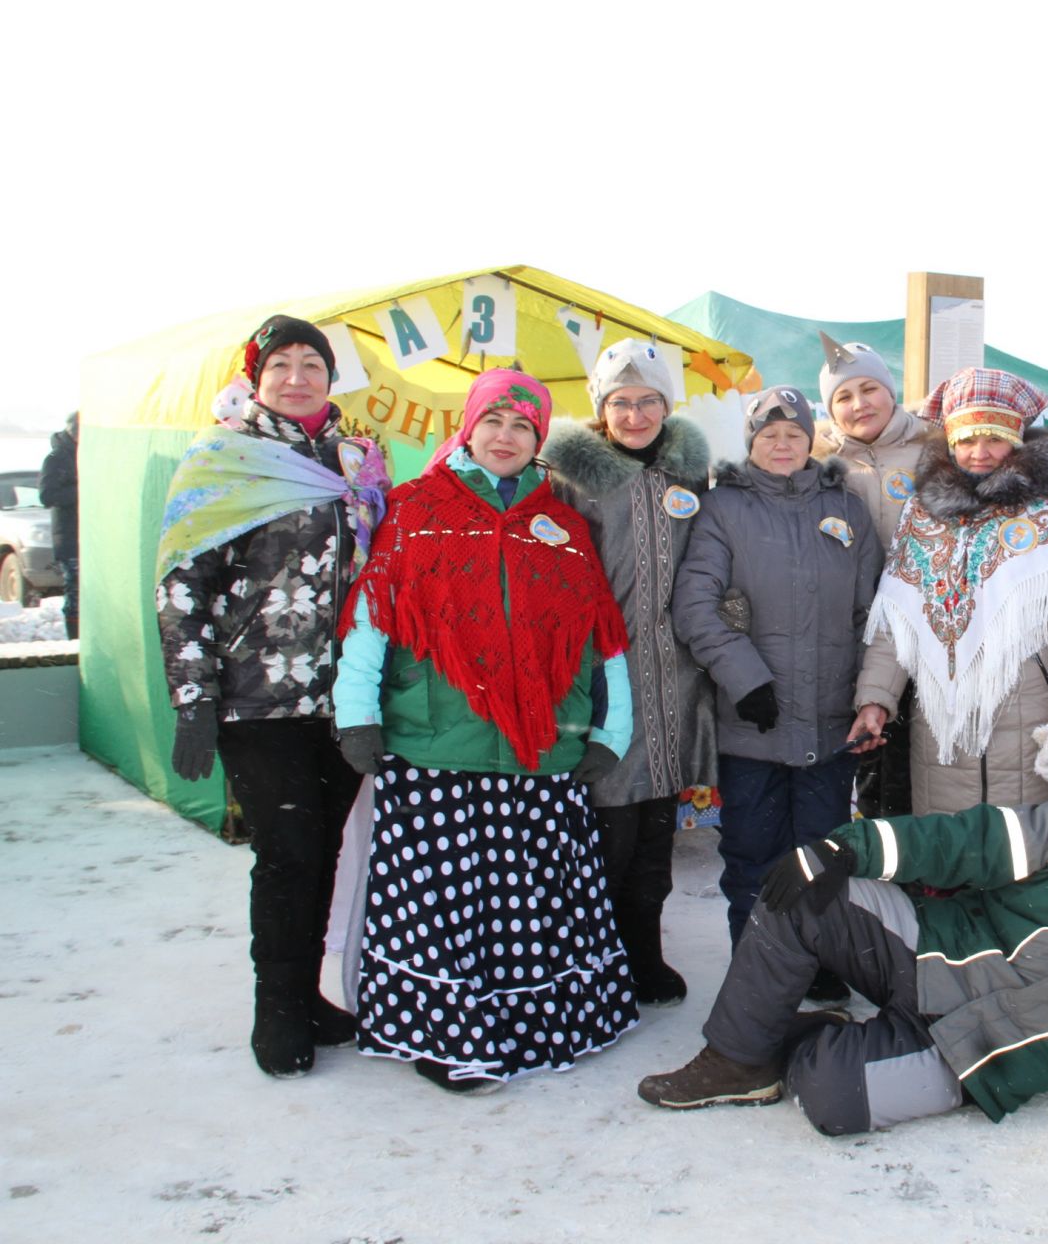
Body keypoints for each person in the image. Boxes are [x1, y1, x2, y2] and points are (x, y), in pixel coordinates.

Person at [636, 757, 1048, 1134]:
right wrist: (851, 847)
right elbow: (965, 840)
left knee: (832, 1098)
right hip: (927, 952)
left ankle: (801, 1038)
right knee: (803, 892)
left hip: (983, 1051)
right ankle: (739, 1061)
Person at [331, 368, 640, 1092]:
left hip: (541, 748)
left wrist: (609, 731)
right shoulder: (414, 509)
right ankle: (446, 1036)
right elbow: (373, 616)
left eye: (523, 426)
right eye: (494, 421)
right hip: (436, 744)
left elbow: (603, 636)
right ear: (469, 427)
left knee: (533, 902)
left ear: (539, 441)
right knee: (444, 905)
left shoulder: (560, 522)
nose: (506, 437)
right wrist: (357, 714)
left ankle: (540, 1025)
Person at [155, 315, 389, 1078]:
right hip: (256, 700)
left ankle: (308, 994)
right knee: (287, 854)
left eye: (312, 364)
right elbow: (181, 582)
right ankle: (277, 1009)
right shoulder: (224, 459)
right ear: (255, 378)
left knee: (322, 851)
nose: (297, 377)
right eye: (280, 364)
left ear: (331, 376)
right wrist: (194, 697)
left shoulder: (359, 462)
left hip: (342, 699)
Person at [672, 385, 884, 967]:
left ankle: (816, 972)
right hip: (754, 728)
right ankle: (757, 976)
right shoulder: (724, 508)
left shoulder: (846, 510)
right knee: (752, 859)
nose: (783, 444)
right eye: (769, 435)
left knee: (821, 861)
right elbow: (696, 603)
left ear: (812, 438)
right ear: (751, 443)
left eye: (794, 433)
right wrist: (746, 679)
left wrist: (870, 697)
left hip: (830, 727)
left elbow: (874, 615)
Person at [852, 368, 1048, 812]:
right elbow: (896, 621)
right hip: (940, 720)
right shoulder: (922, 517)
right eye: (966, 439)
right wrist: (875, 700)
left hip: (1030, 710)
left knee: (1024, 847)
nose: (979, 453)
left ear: (1016, 441)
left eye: (993, 438)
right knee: (949, 847)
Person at [543, 339, 718, 1007]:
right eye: (621, 401)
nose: (636, 413)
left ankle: (643, 951)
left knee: (656, 832)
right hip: (602, 675)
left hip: (677, 678)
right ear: (601, 408)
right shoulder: (568, 476)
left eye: (648, 401)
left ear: (667, 406)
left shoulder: (691, 477)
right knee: (607, 830)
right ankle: (595, 962)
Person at [813, 331, 938, 819]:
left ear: (891, 390)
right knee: (873, 763)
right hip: (860, 637)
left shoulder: (936, 448)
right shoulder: (821, 463)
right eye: (843, 396)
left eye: (869, 389)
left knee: (926, 765)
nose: (859, 404)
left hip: (930, 631)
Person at [38, 412, 79, 640]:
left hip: (90, 539)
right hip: (69, 538)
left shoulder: (88, 456)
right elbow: (47, 495)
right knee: (75, 592)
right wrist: (82, 490)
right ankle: (74, 639)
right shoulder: (55, 459)